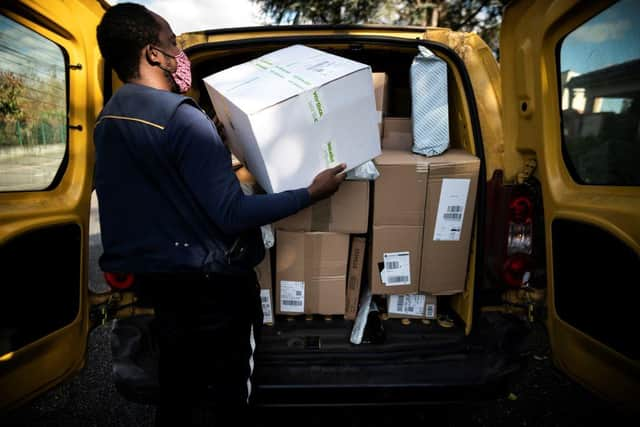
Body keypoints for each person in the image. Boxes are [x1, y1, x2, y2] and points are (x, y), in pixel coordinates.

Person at [94, 3, 345, 426]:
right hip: (215, 292)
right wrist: (310, 193)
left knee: (177, 390)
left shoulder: (109, 118)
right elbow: (231, 213)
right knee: (228, 396)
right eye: (172, 42)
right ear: (152, 54)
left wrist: (210, 144)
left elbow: (162, 189)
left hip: (164, 288)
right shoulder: (181, 118)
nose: (178, 52)